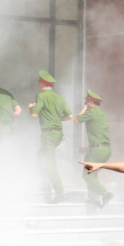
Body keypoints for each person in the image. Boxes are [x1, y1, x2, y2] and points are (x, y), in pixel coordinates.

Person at [29, 70, 72, 203]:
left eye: (38, 82)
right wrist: (57, 120)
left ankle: (60, 193)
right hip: (58, 134)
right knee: (40, 157)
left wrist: (31, 107)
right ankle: (45, 184)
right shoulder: (59, 98)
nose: (38, 84)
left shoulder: (41, 96)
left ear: (42, 83)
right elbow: (69, 116)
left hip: (48, 135)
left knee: (49, 164)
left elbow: (34, 114)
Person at [74, 89, 114, 208]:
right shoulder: (103, 114)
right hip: (106, 150)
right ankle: (94, 200)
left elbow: (76, 120)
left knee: (87, 175)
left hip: (97, 151)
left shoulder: (91, 112)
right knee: (93, 175)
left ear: (91, 103)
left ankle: (106, 194)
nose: (85, 103)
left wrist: (84, 109)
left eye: (86, 102)